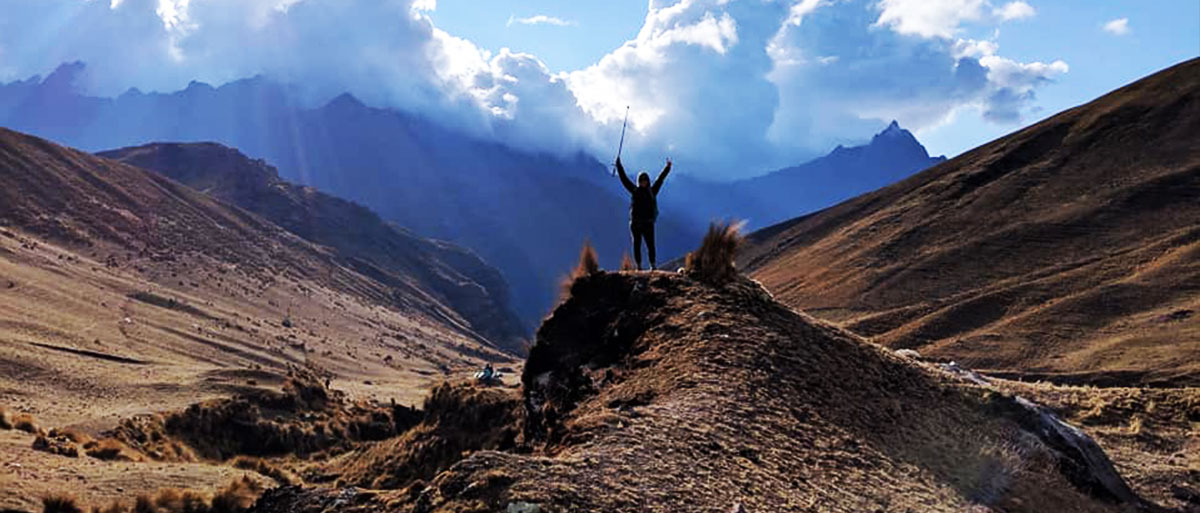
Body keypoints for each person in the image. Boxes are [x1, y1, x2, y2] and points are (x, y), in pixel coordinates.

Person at [616, 156, 671, 270]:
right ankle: (639, 266)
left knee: (650, 245)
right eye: (642, 181)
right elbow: (624, 179)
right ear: (639, 182)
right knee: (637, 245)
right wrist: (619, 166)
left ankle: (652, 265)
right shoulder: (636, 191)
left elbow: (660, 179)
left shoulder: (651, 190)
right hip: (636, 223)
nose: (643, 182)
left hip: (647, 223)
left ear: (647, 181)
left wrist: (667, 168)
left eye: (645, 180)